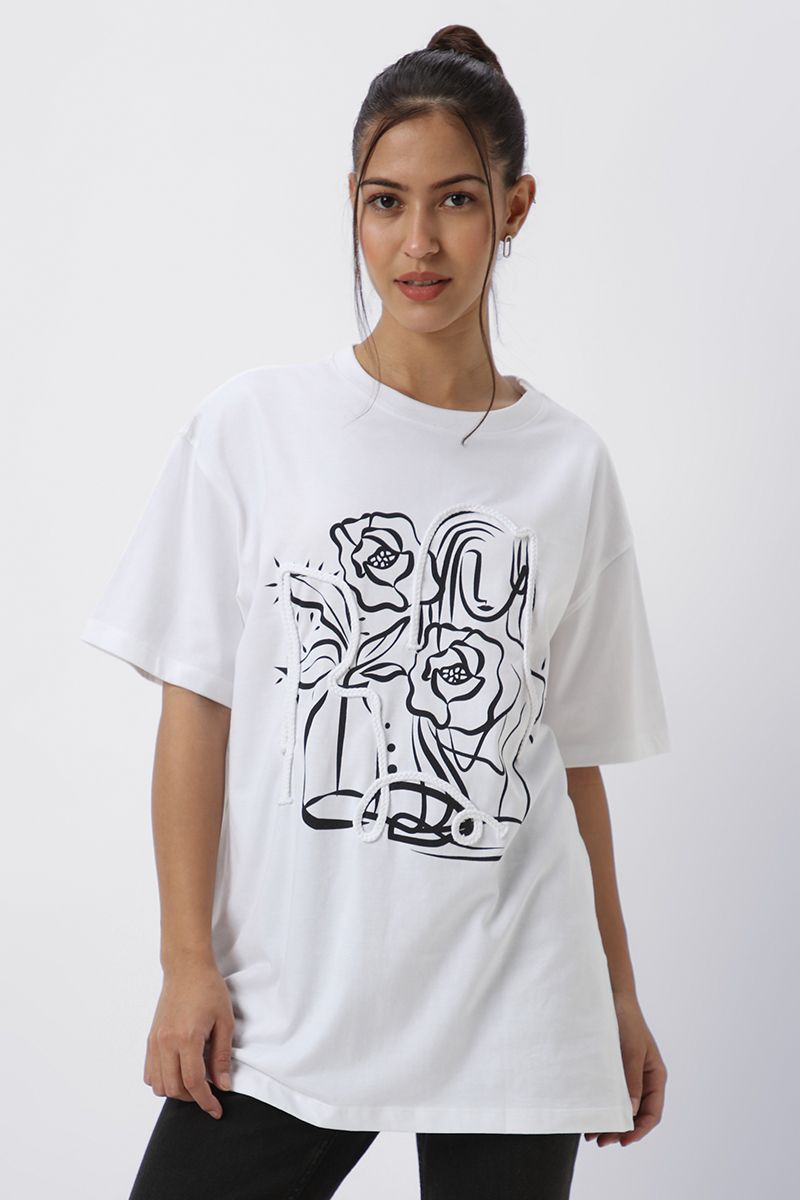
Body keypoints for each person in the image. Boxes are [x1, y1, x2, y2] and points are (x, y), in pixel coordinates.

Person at [80, 24, 671, 1200]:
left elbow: (571, 762)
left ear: (513, 208)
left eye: (456, 199)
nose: (418, 242)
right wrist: (186, 962)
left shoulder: (568, 466)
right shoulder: (254, 427)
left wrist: (615, 992)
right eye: (385, 202)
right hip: (289, 1009)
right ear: (350, 205)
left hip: (517, 1006)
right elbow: (196, 710)